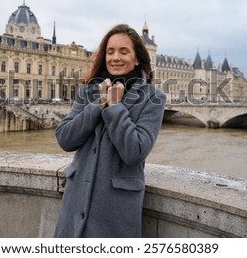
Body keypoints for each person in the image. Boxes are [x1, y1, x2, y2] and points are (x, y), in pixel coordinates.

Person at [53, 24, 166, 238]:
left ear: (137, 58)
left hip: (115, 212)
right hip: (74, 204)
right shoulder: (88, 91)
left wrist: (114, 107)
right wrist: (97, 105)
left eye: (124, 51)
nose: (115, 57)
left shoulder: (153, 97)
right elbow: (65, 138)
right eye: (110, 51)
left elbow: (135, 152)